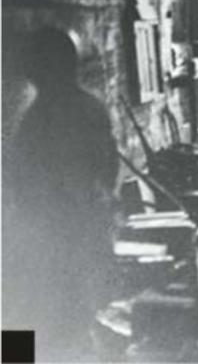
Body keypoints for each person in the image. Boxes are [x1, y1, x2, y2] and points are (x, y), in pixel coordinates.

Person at [3, 28, 119, 360]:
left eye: (34, 64)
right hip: (79, 231)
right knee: (70, 319)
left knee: (27, 317)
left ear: (48, 66)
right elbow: (107, 170)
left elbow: (29, 180)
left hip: (50, 235)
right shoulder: (90, 108)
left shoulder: (43, 117)